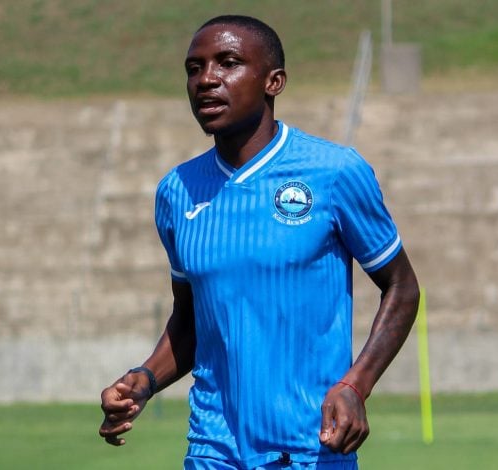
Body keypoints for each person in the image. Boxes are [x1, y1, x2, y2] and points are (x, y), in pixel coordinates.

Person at [99, 14, 420, 469]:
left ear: (274, 81)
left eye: (227, 63)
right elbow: (190, 321)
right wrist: (146, 378)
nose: (207, 79)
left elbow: (402, 287)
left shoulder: (334, 172)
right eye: (194, 68)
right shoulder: (177, 191)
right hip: (212, 449)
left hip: (310, 447)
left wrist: (355, 385)